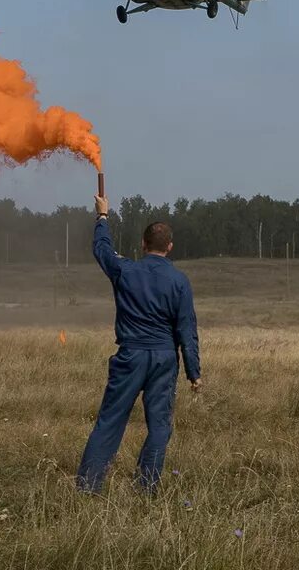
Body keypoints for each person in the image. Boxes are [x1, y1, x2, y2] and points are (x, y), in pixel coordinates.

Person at [76, 195, 201, 494]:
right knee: (159, 426)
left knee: (110, 421)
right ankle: (146, 487)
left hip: (131, 356)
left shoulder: (125, 270)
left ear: (143, 245)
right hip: (164, 358)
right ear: (169, 247)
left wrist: (102, 218)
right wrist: (194, 372)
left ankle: (88, 487)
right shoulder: (180, 281)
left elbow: (102, 250)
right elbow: (187, 328)